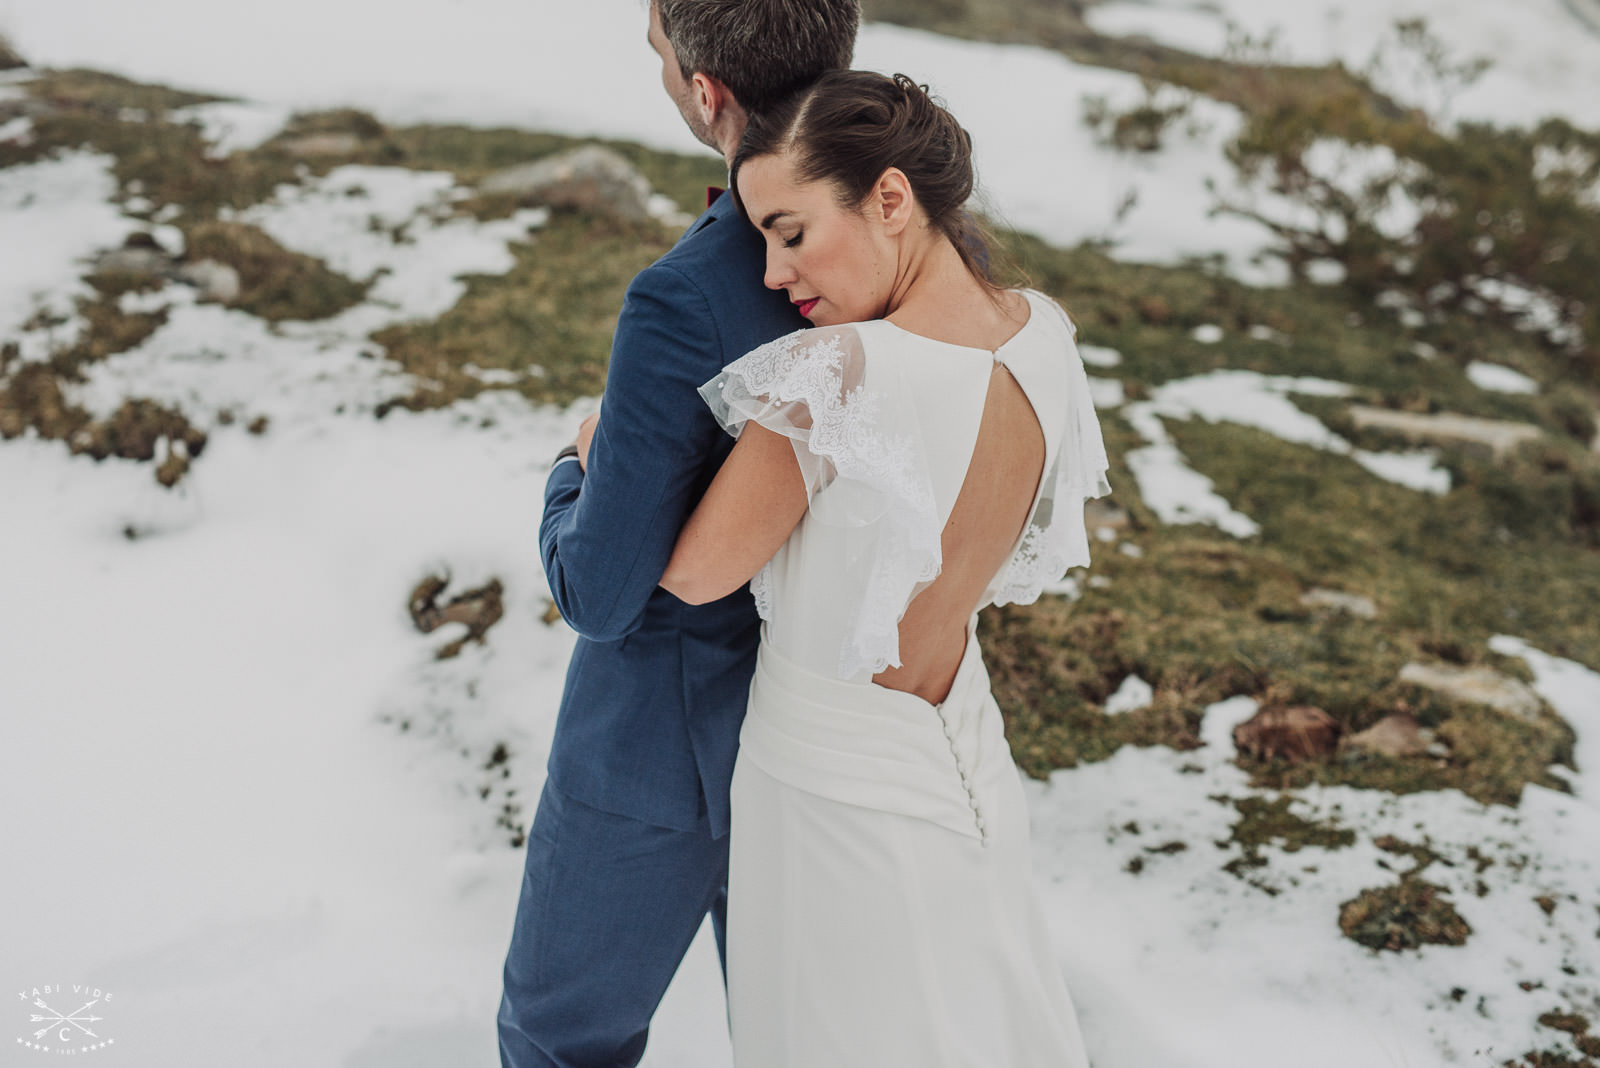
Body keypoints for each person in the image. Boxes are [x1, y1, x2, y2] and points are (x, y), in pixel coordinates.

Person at [650, 70, 1111, 1065]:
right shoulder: (1042, 333)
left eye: (791, 230)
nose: (774, 275)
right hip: (963, 757)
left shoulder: (842, 376)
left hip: (827, 788)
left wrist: (593, 446)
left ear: (890, 199)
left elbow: (694, 574)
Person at [497, 2, 859, 1066]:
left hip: (663, 754)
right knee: (809, 1033)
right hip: (842, 732)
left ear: (707, 93)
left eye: (659, 51)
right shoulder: (918, 239)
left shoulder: (684, 296)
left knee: (563, 1036)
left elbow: (601, 594)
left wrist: (576, 462)